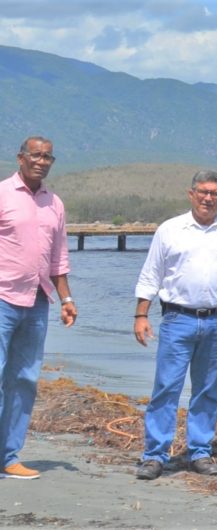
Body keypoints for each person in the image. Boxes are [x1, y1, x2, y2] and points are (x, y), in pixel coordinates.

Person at [133, 169, 217, 480]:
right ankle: (155, 455)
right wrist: (141, 314)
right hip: (178, 319)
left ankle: (200, 452)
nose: (208, 198)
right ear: (191, 194)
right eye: (203, 192)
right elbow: (151, 274)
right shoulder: (170, 230)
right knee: (166, 387)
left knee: (208, 389)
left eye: (214, 193)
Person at [0, 136, 77, 480]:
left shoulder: (54, 204)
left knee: (25, 380)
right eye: (35, 155)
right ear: (20, 158)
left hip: (38, 303)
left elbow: (58, 258)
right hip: (2, 299)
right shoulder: (2, 194)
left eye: (48, 156)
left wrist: (67, 299)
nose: (42, 161)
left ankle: (9, 457)